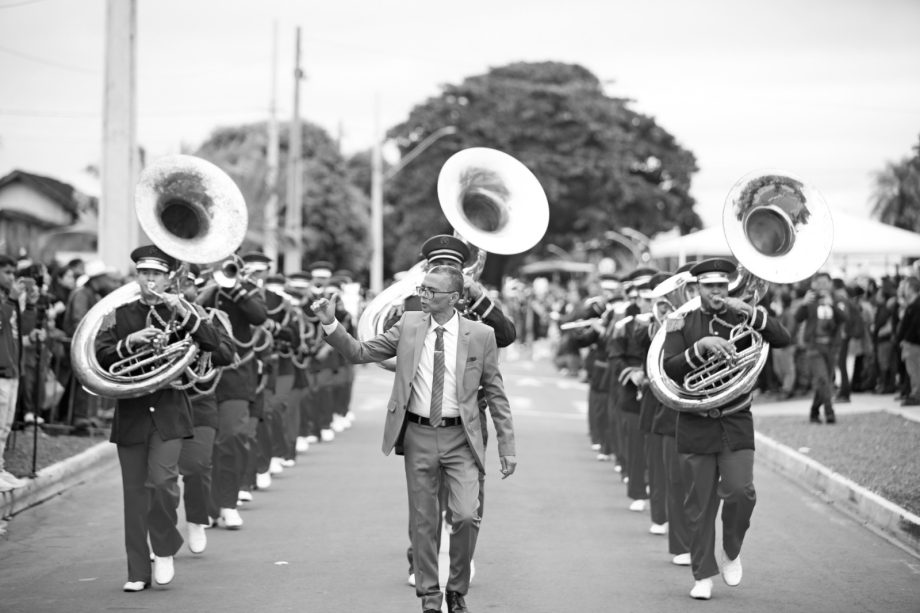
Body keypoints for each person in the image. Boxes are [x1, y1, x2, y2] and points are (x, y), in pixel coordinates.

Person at [314, 264, 516, 613]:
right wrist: (331, 323)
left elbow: (496, 394)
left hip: (461, 439)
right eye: (421, 289)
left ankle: (456, 588)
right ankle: (430, 598)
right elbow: (360, 352)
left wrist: (508, 449)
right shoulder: (408, 324)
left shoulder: (481, 335)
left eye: (430, 291)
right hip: (419, 435)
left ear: (453, 297)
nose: (421, 295)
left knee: (467, 515)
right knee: (425, 522)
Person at [661, 257, 791, 600]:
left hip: (735, 419)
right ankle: (702, 575)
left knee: (741, 491)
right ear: (696, 288)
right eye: (710, 286)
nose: (717, 292)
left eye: (722, 285)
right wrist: (699, 348)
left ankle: (731, 549)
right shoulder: (680, 321)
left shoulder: (742, 315)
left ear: (728, 286)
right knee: (699, 505)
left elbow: (783, 338)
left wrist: (749, 312)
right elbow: (670, 368)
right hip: (694, 421)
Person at [95, 245, 224, 592]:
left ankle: (164, 548)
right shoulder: (118, 314)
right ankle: (137, 571)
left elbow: (216, 345)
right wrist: (129, 342)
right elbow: (100, 357)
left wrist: (183, 311)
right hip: (132, 415)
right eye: (143, 273)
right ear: (137, 276)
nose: (149, 279)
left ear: (169, 278)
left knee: (163, 484)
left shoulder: (184, 312)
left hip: (169, 412)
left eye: (156, 274)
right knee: (134, 496)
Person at [403, 234, 518, 588]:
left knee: (469, 502)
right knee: (426, 501)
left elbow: (507, 333)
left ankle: (460, 562)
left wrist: (478, 294)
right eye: (439, 266)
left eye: (453, 266)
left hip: (468, 416)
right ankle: (418, 561)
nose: (446, 271)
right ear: (427, 268)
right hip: (425, 416)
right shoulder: (416, 300)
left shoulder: (474, 302)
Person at [795, 272, 847, 424]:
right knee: (823, 379)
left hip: (831, 347)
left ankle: (814, 411)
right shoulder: (810, 300)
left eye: (825, 283)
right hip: (814, 346)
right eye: (819, 283)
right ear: (814, 285)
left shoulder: (837, 299)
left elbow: (845, 318)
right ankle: (829, 412)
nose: (822, 286)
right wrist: (803, 304)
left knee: (825, 381)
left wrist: (833, 305)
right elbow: (798, 318)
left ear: (830, 284)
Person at [0, 254, 27, 491]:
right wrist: (11, 300)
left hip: (12, 370)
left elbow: (18, 331)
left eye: (13, 273)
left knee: (5, 426)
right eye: (7, 272)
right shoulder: (5, 300)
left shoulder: (9, 299)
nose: (12, 277)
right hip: (1, 372)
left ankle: (0, 468)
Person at [896, 276, 920, 405]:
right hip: (910, 343)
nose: (903, 290)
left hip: (913, 344)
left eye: (905, 287)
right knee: (912, 370)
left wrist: (906, 339)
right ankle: (913, 393)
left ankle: (916, 395)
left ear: (911, 288)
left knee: (914, 370)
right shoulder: (912, 304)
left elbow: (915, 325)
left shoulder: (916, 305)